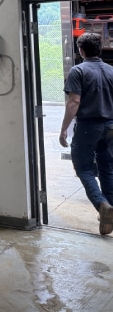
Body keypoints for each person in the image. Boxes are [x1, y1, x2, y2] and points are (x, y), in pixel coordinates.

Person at [59, 32, 113, 235]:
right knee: (107, 168)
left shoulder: (78, 71)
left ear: (81, 50)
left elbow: (74, 101)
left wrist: (64, 128)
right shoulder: (111, 70)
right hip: (110, 126)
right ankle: (109, 213)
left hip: (88, 126)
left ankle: (102, 205)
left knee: (84, 169)